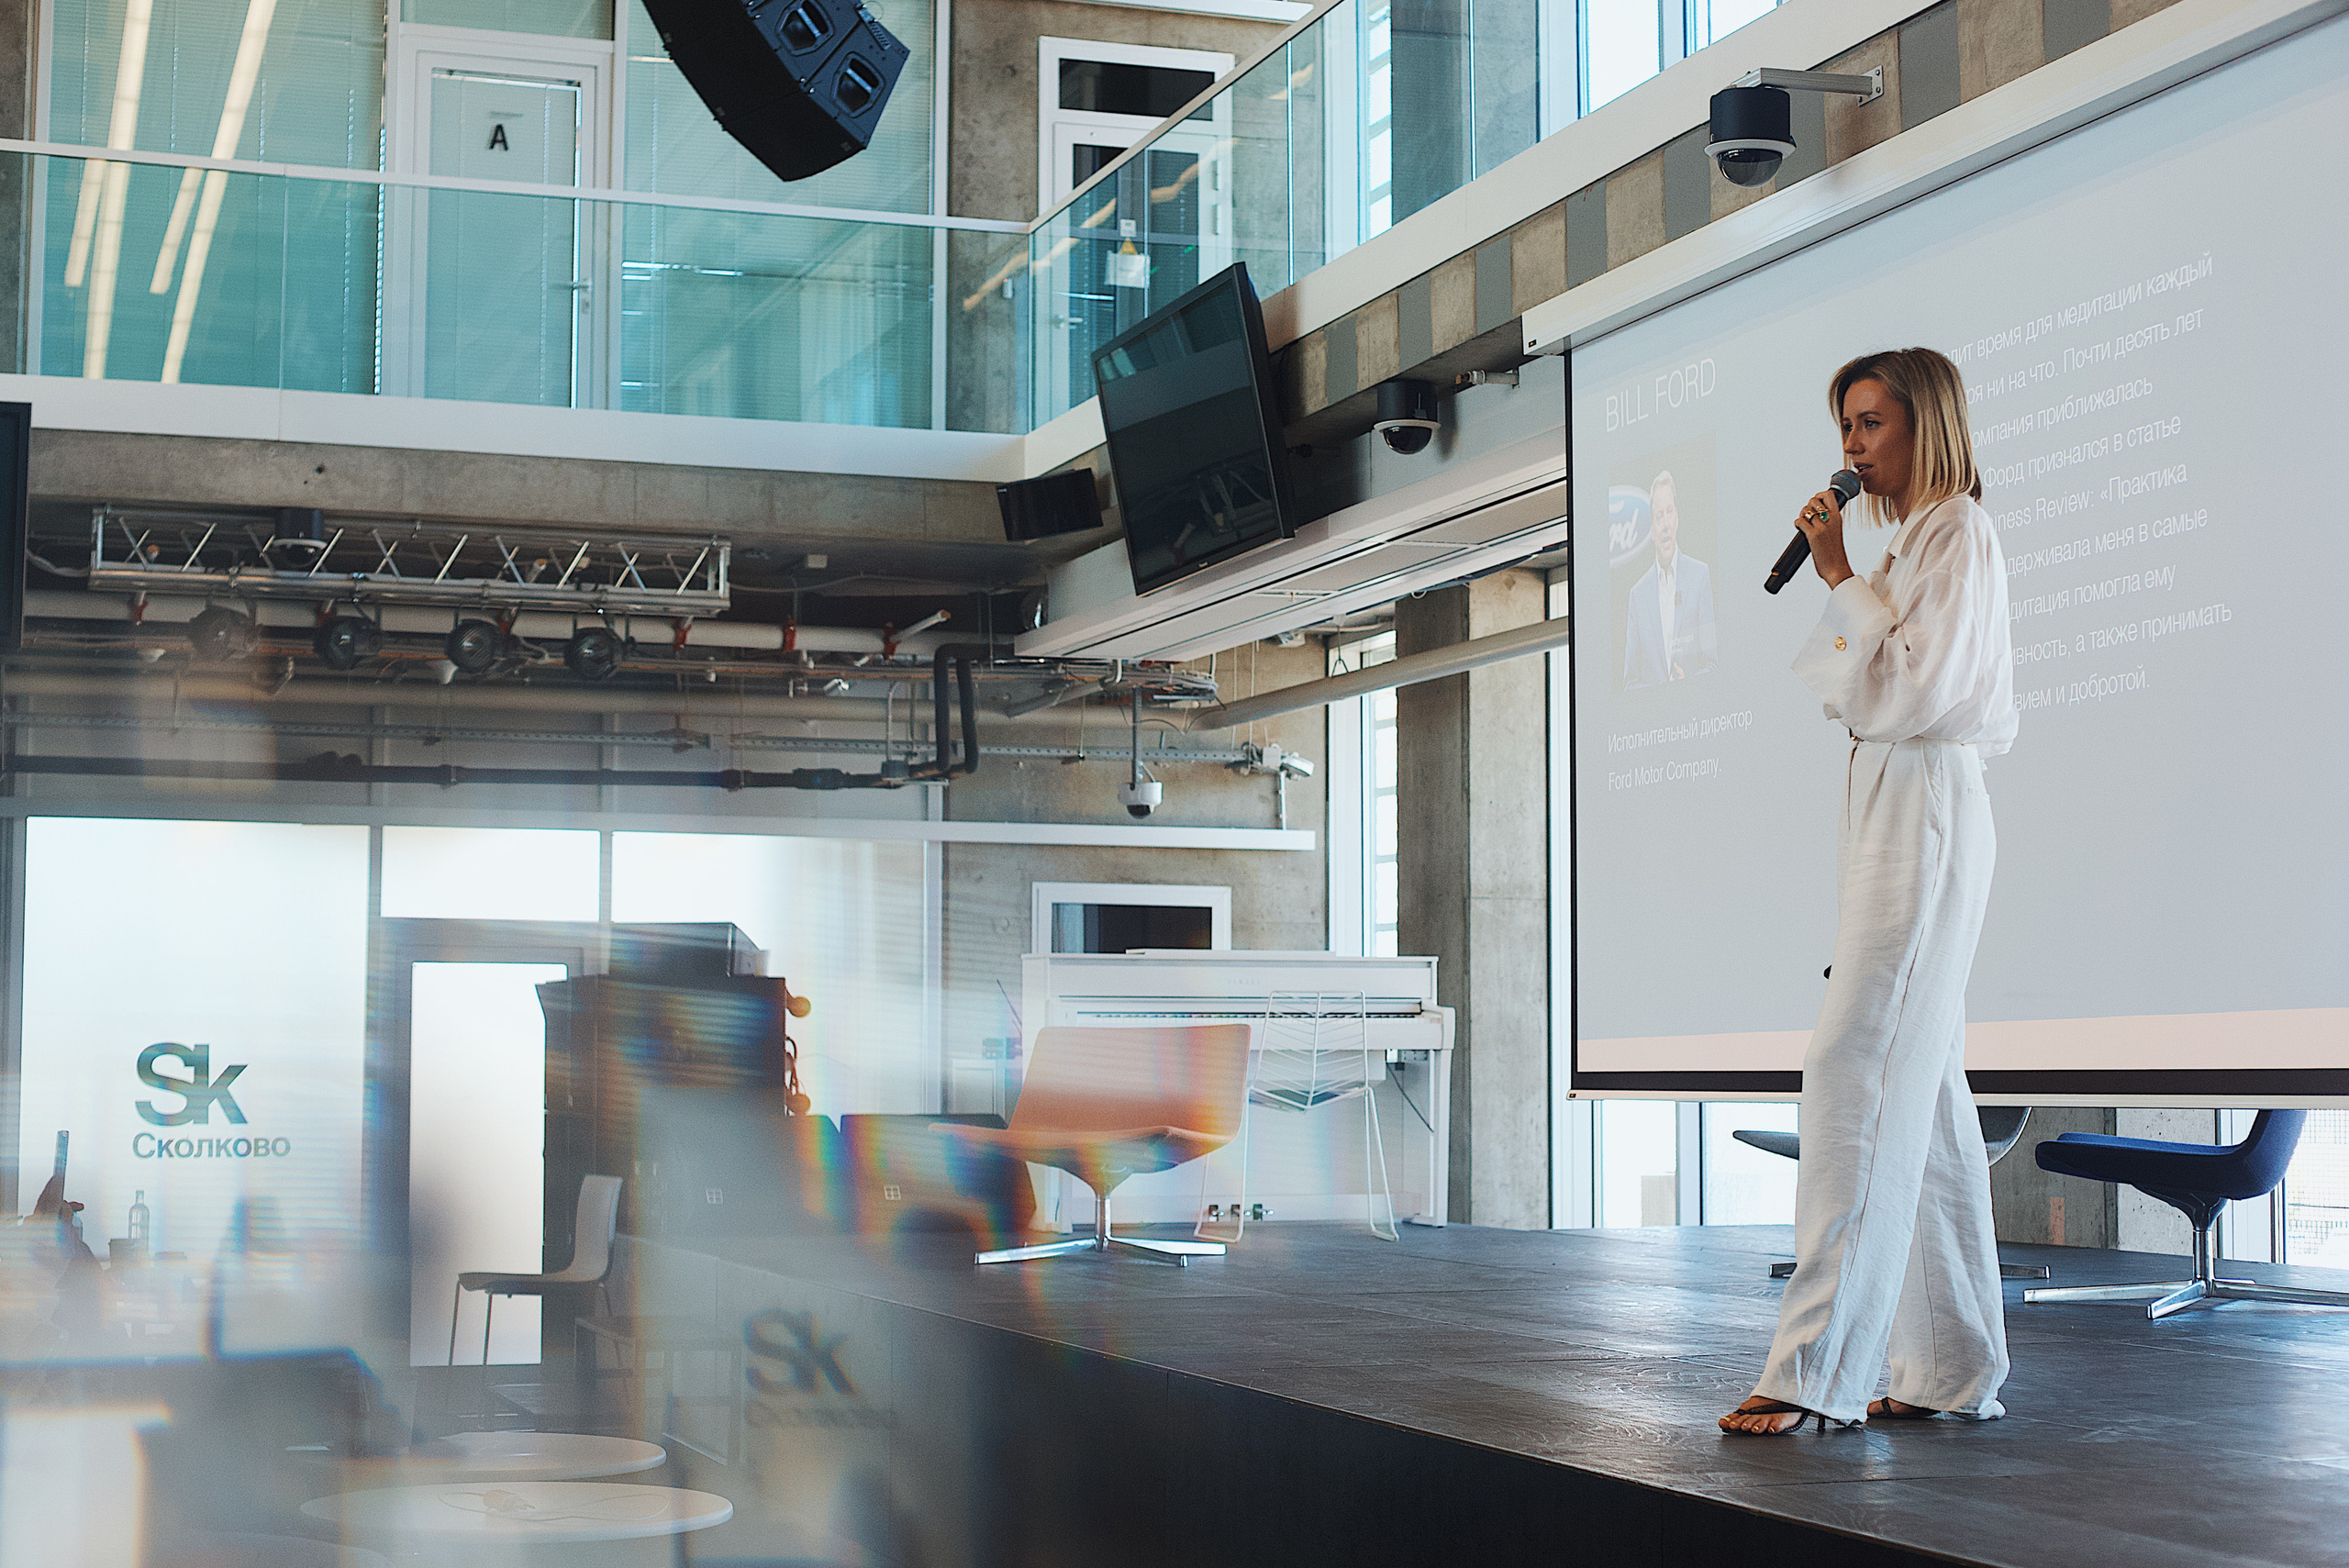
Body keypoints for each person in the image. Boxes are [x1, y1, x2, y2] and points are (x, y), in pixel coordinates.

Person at [1719, 347, 2016, 1437]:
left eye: (1870, 423)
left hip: (1928, 804)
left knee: (1854, 1065)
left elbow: (1901, 688)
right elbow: (1859, 685)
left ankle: (1814, 1370)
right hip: (1893, 805)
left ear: (1923, 424)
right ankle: (1950, 1362)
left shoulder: (1957, 533)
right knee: (1924, 1094)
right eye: (1844, 424)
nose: (1850, 445)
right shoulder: (1909, 543)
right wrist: (1855, 577)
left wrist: (1840, 575)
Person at [1620, 470, 1718, 688]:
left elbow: (1712, 665)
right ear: (1652, 529)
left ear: (1677, 518)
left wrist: (1687, 684)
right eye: (1658, 516)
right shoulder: (1638, 595)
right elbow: (1630, 682)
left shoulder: (1700, 576)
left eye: (1669, 512)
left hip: (1698, 716)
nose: (1665, 524)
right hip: (1653, 719)